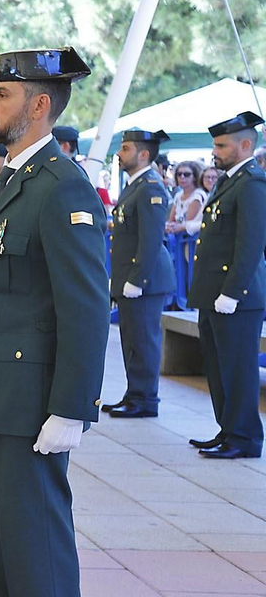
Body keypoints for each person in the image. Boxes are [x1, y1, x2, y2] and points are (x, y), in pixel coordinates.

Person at [0, 47, 106, 597]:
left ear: (39, 105)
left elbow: (83, 304)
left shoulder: (62, 183)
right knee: (4, 529)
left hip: (32, 399)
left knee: (36, 530)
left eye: (1, 94)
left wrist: (72, 406)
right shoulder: (16, 178)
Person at [188, 112, 266, 459]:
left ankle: (245, 438)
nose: (215, 151)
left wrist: (232, 292)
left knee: (237, 369)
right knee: (219, 368)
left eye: (221, 145)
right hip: (215, 293)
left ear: (245, 145)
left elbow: (249, 245)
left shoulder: (251, 183)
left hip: (236, 296)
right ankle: (228, 430)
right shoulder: (229, 180)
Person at [104, 128, 175, 419]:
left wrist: (137, 279)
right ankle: (134, 394)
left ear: (144, 154)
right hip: (131, 277)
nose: (120, 154)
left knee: (143, 340)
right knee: (132, 340)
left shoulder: (150, 188)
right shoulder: (135, 185)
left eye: (127, 148)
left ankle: (145, 399)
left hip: (145, 280)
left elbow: (150, 240)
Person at [163, 160, 205, 309]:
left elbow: (188, 222)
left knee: (190, 271)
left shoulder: (197, 196)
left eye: (186, 174)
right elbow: (172, 219)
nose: (182, 177)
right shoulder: (178, 195)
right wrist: (169, 226)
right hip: (178, 241)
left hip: (192, 240)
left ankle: (191, 301)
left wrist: (175, 227)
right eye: (179, 174)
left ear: (194, 176)